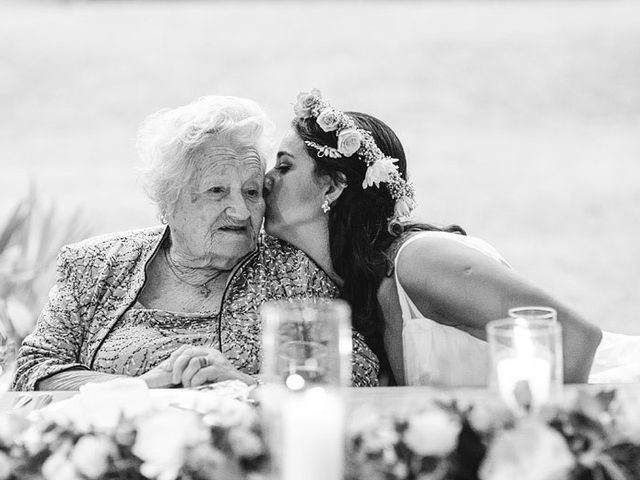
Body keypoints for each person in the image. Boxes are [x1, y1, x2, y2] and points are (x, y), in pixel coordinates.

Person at [263, 88, 638, 386]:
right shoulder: (354, 287)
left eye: (284, 166)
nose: (266, 180)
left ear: (333, 187)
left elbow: (574, 339)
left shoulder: (420, 262)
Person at [12, 95, 379, 391]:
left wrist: (247, 384)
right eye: (217, 191)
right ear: (169, 201)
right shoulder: (94, 263)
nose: (240, 210)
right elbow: (35, 367)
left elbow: (357, 373)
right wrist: (140, 389)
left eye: (251, 191)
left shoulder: (292, 270)